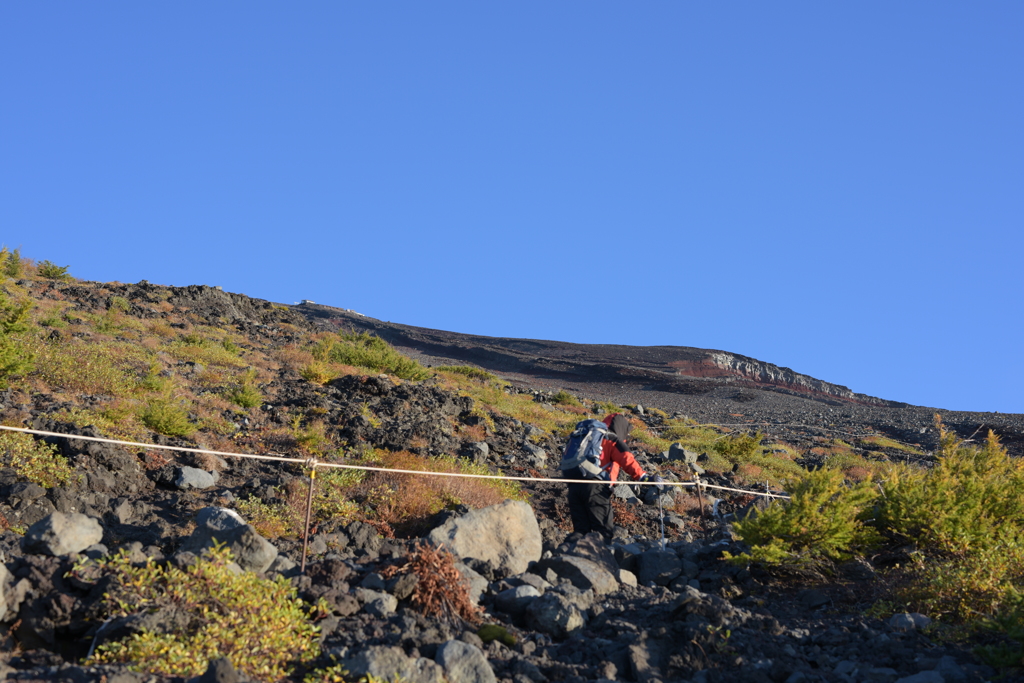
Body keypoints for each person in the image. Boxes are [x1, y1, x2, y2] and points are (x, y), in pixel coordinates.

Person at [565, 413, 662, 541]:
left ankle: (568, 555)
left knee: (581, 531)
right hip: (595, 489)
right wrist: (643, 477)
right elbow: (627, 459)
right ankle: (600, 559)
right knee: (603, 532)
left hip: (573, 486)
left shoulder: (587, 436)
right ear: (621, 428)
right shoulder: (611, 438)